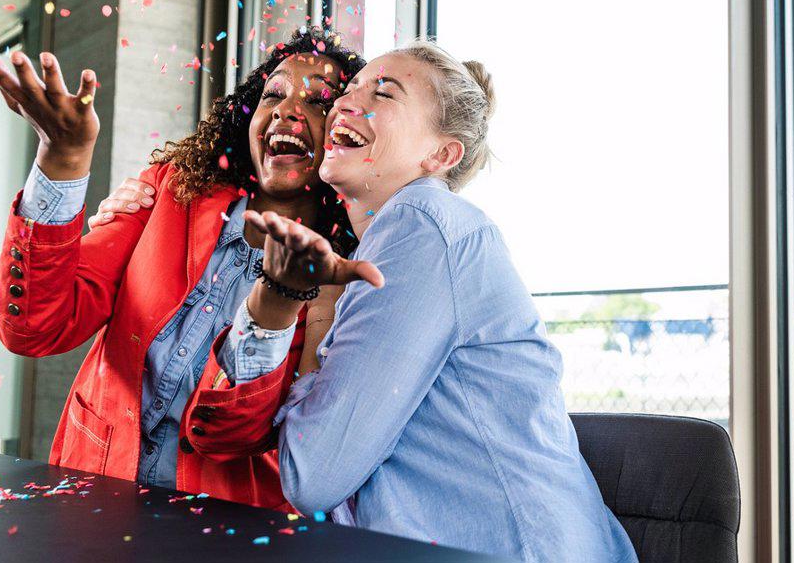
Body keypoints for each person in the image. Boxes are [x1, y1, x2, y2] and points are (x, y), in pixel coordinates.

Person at [237, 42, 638, 562]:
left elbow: (312, 476)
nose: (346, 105)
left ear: (441, 156)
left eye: (383, 92)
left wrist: (315, 330)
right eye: (351, 90)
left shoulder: (419, 223)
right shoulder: (401, 239)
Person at [0, 27, 365, 510]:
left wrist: (278, 302)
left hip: (224, 529)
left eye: (317, 102)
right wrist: (63, 160)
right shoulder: (169, 191)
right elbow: (34, 326)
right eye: (273, 93)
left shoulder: (342, 280)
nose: (286, 110)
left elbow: (236, 435)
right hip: (90, 499)